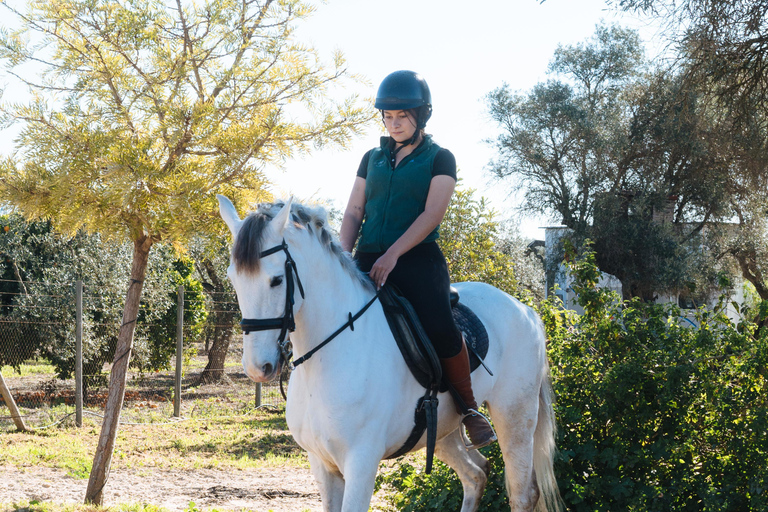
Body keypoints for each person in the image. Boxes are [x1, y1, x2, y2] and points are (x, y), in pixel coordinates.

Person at [339, 70, 497, 449]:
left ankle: (470, 408)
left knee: (440, 326)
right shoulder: (371, 158)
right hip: (367, 257)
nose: (394, 124)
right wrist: (341, 257)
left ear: (421, 115)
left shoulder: (440, 158)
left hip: (417, 259)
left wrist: (393, 254)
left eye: (402, 116)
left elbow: (432, 215)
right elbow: (354, 211)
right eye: (388, 116)